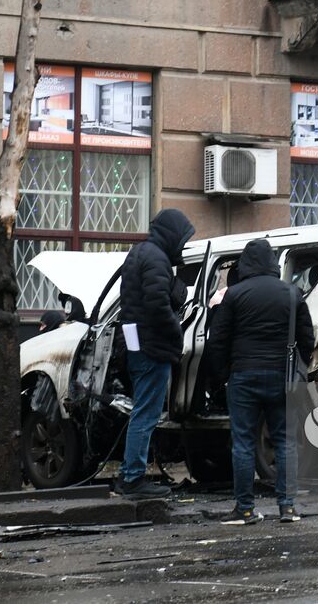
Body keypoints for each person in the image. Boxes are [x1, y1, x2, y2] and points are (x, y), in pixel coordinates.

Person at [205, 238, 315, 525]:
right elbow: (307, 338)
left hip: (243, 376)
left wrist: (220, 376)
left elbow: (218, 340)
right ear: (272, 264)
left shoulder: (234, 295)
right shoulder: (292, 294)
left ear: (245, 264)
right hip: (282, 376)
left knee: (242, 442)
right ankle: (287, 507)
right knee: (285, 441)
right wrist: (300, 369)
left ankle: (244, 509)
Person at [113, 208, 196, 500]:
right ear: (172, 234)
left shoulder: (139, 254)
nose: (182, 246)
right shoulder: (157, 259)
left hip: (138, 345)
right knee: (146, 414)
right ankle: (134, 479)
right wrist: (177, 333)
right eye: (182, 239)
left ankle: (129, 474)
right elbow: (158, 305)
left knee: (141, 411)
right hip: (153, 347)